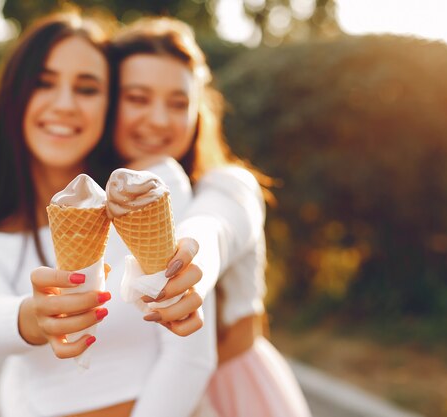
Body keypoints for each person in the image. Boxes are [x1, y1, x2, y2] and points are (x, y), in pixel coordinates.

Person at [0, 11, 217, 417]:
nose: (65, 104)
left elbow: (191, 357)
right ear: (13, 97)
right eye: (43, 83)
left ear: (110, 105)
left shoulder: (152, 192)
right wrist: (33, 317)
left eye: (87, 89)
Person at [103, 16, 312, 417]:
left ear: (199, 111)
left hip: (231, 397)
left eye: (179, 103)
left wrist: (190, 257)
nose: (160, 119)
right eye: (138, 98)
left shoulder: (227, 184)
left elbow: (214, 227)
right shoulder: (94, 204)